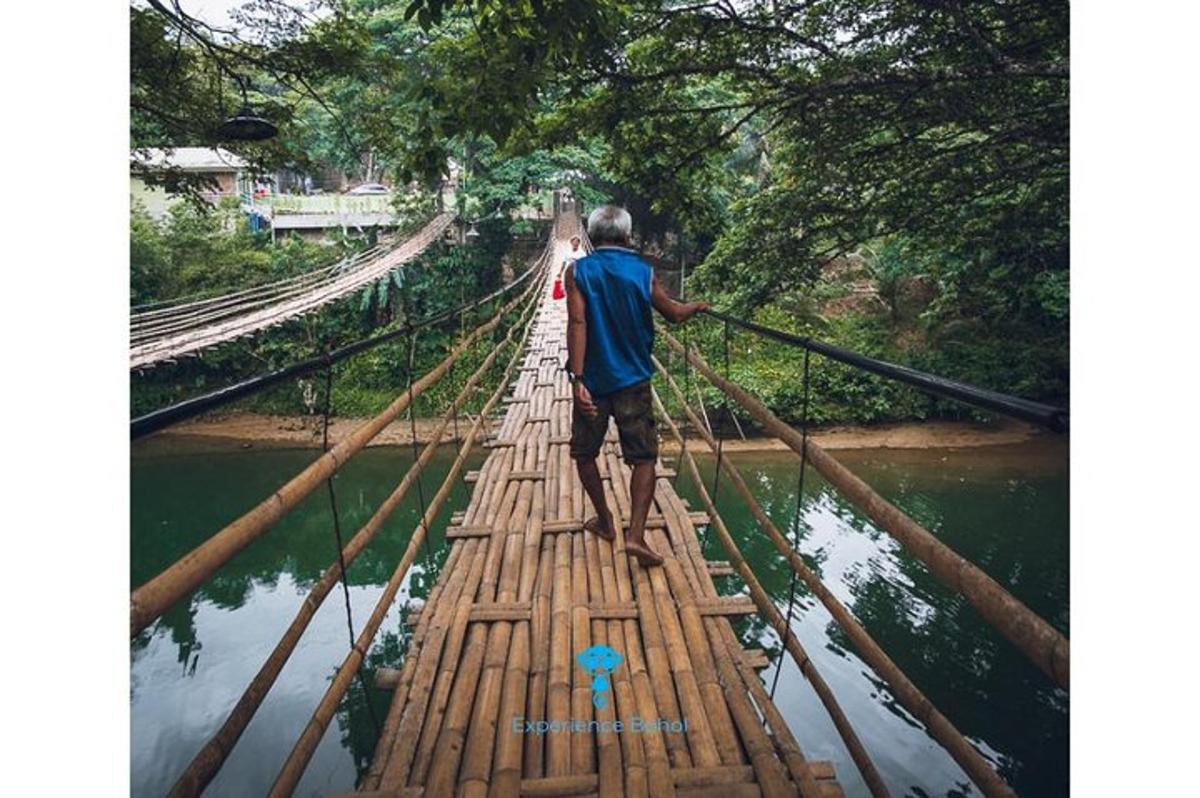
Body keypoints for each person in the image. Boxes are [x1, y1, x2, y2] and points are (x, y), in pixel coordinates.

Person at [564, 206, 707, 566]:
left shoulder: (578, 270)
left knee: (584, 454)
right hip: (634, 381)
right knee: (643, 459)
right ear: (627, 236)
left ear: (593, 236)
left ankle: (606, 521)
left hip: (593, 381)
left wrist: (577, 380)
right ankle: (636, 536)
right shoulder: (644, 273)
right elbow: (673, 314)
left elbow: (577, 323)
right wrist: (697, 306)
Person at [552, 236, 582, 301]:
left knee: (576, 289)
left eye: (576, 243)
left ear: (579, 244)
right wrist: (560, 272)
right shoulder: (567, 252)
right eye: (574, 243)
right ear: (571, 243)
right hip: (568, 273)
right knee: (568, 288)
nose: (575, 244)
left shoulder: (582, 254)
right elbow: (564, 262)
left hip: (577, 273)